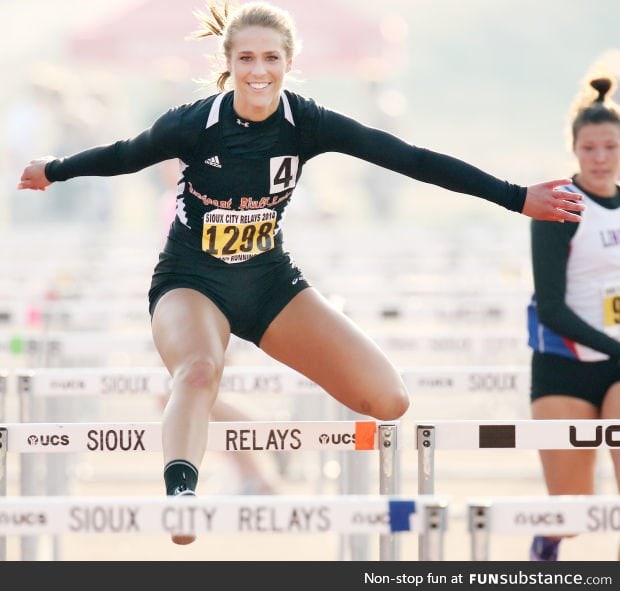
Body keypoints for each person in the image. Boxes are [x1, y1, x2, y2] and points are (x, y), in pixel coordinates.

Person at [19, 0, 583, 546]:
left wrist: (515, 197)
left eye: (270, 59)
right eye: (246, 59)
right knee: (196, 371)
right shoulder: (193, 124)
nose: (258, 71)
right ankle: (181, 492)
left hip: (268, 281)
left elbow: (410, 158)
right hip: (192, 280)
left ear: (289, 63)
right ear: (228, 64)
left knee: (388, 401)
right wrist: (55, 170)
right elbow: (123, 154)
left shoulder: (307, 122)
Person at [527, 74, 620, 561]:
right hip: (564, 363)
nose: (600, 157)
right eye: (590, 148)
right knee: (570, 513)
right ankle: (546, 552)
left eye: (610, 146)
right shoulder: (560, 205)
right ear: (575, 148)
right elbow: (551, 307)